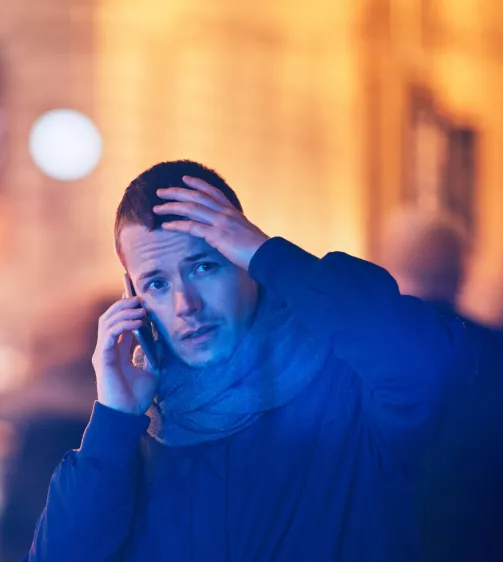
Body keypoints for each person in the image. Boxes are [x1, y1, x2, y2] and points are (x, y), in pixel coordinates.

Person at [26, 160, 475, 561]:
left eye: (204, 267)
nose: (185, 304)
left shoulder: (346, 388)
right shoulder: (138, 436)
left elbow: (425, 362)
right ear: (134, 298)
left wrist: (271, 255)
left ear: (244, 261)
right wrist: (113, 420)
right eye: (157, 284)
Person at [382, 210, 503, 562]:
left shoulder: (350, 355)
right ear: (461, 270)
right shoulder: (502, 356)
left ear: (387, 267)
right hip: (479, 544)